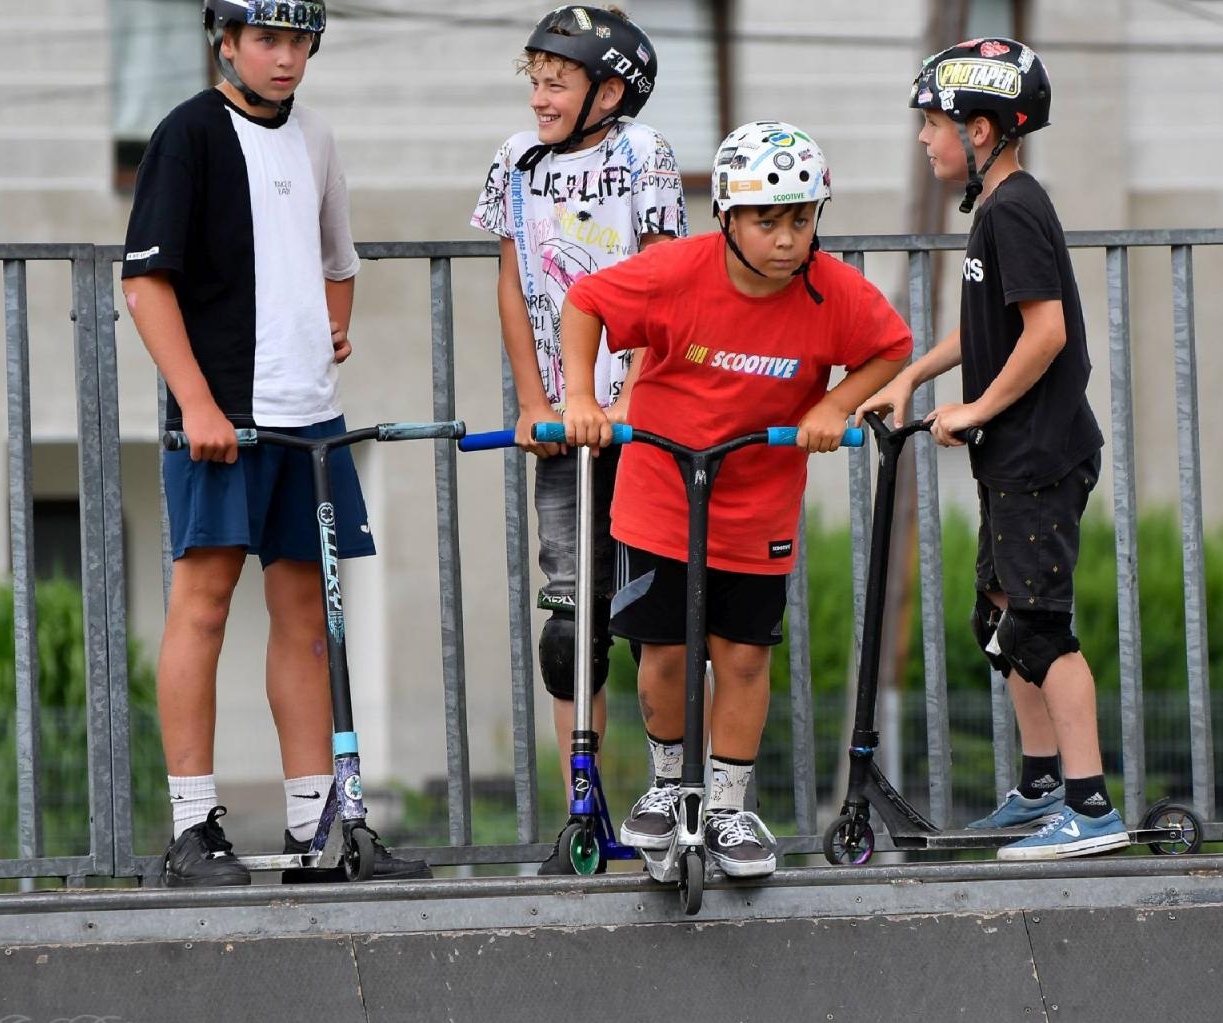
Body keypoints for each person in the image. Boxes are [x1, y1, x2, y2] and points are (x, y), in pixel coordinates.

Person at [122, 0, 426, 886]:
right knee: (203, 606)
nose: (287, 59)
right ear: (226, 41)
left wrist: (333, 326)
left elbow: (340, 259)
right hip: (222, 418)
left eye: (300, 42)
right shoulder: (187, 134)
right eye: (268, 40)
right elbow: (145, 284)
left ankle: (317, 827)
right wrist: (197, 404)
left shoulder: (317, 137)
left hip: (311, 424)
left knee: (307, 618)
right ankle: (190, 830)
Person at [563, 122, 911, 877]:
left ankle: (724, 806)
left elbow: (891, 348)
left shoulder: (834, 293)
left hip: (756, 506)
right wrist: (582, 397)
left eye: (801, 218)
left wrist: (836, 406)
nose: (786, 239)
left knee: (744, 658)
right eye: (767, 220)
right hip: (661, 493)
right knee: (663, 655)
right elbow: (586, 300)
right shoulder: (675, 271)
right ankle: (665, 786)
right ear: (725, 214)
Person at [858, 37, 1124, 860]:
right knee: (1001, 619)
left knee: (1039, 629)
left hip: (1039, 454)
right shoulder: (999, 208)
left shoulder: (1014, 208)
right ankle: (1042, 787)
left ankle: (1090, 806)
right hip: (1016, 457)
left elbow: (1044, 335)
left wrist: (974, 408)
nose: (924, 139)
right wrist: (912, 378)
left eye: (932, 124)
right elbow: (988, 330)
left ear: (981, 130)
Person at [471, 4, 686, 874]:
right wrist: (533, 401)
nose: (540, 97)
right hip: (564, 428)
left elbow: (668, 280)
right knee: (570, 627)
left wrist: (632, 395)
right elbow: (514, 282)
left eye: (557, 82)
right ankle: (583, 811)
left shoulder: (647, 156)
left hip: (643, 421)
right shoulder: (514, 164)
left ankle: (675, 799)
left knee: (657, 621)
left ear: (609, 90)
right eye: (536, 80)